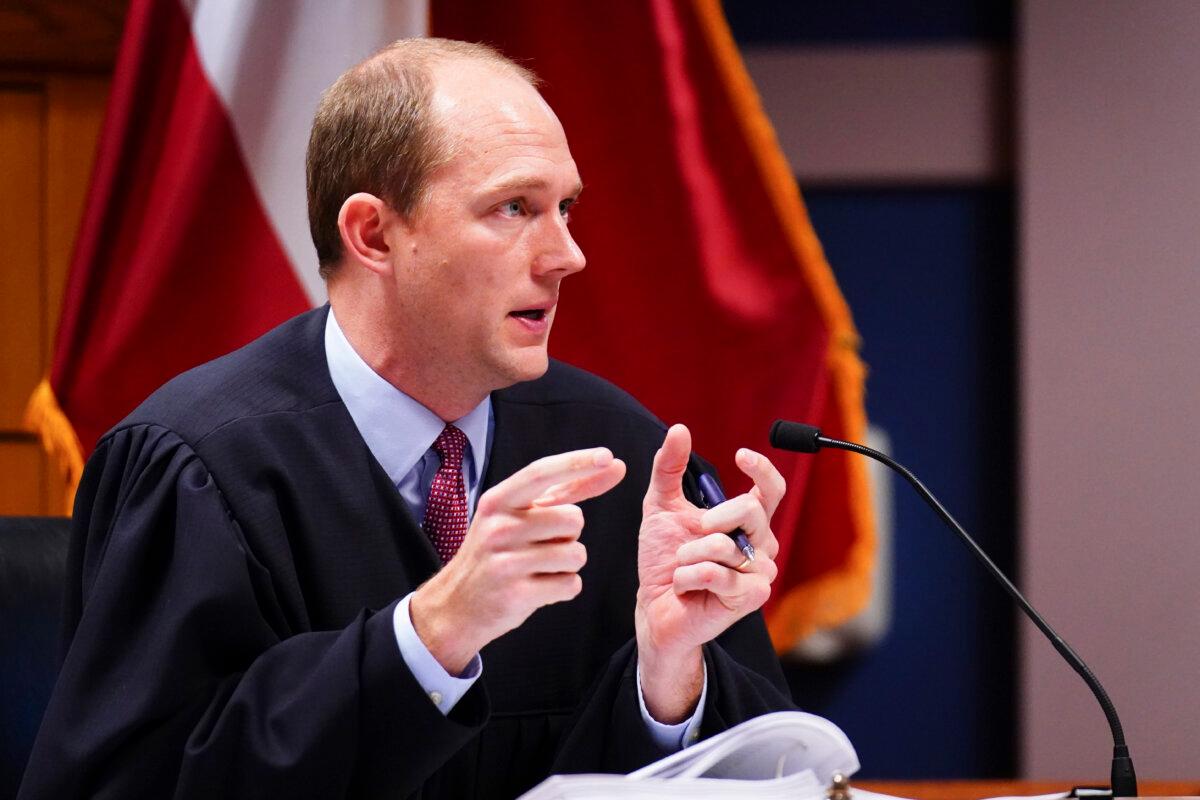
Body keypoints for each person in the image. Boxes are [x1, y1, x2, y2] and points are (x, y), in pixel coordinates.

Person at [20, 38, 795, 799]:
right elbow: (136, 782)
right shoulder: (199, 467)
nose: (567, 255)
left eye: (565, 208)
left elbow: (782, 777)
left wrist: (668, 678)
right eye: (515, 207)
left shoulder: (621, 458)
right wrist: (433, 633)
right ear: (373, 234)